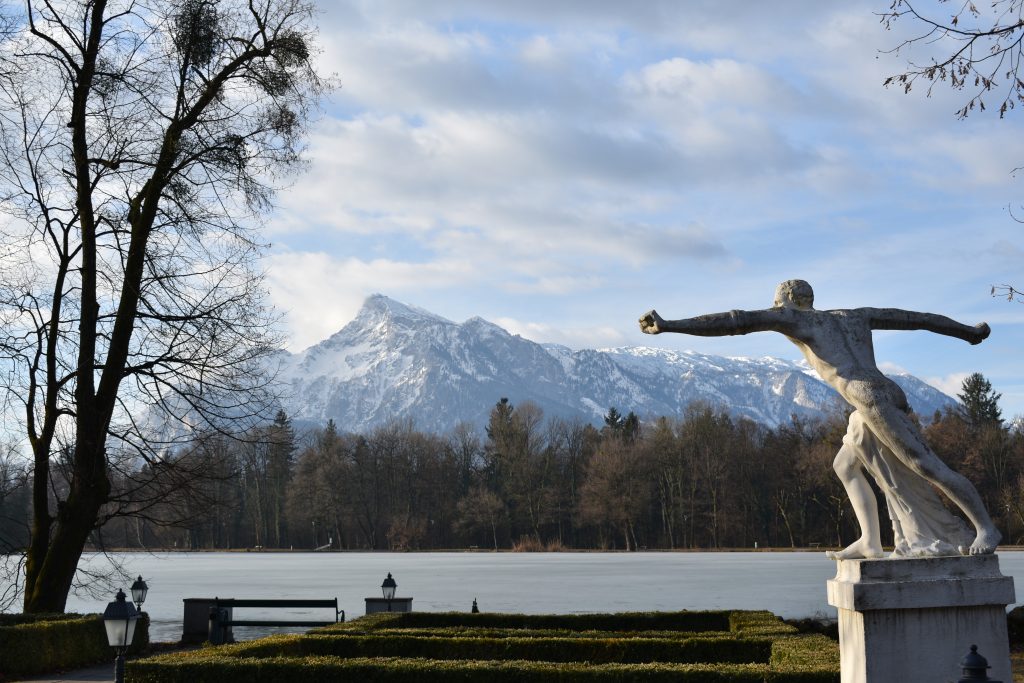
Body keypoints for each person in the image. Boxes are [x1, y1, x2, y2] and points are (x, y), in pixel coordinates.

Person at [639, 279, 1000, 558]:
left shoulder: (794, 318)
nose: (775, 309)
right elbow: (919, 320)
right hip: (881, 391)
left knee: (924, 463)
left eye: (776, 303)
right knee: (844, 465)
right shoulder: (854, 315)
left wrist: (670, 325)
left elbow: (736, 322)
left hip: (868, 396)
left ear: (785, 301)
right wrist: (967, 332)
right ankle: (870, 541)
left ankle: (985, 527)